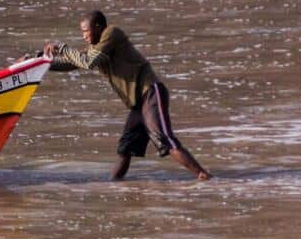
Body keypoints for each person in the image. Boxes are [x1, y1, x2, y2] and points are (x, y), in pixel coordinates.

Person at [42, 10, 212, 181]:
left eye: (86, 31)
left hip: (150, 92)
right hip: (138, 103)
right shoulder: (96, 48)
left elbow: (88, 62)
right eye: (82, 32)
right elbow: (72, 63)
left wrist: (62, 48)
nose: (84, 36)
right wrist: (39, 62)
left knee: (164, 138)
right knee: (125, 148)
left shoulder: (111, 33)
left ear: (98, 26)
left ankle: (202, 175)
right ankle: (114, 185)